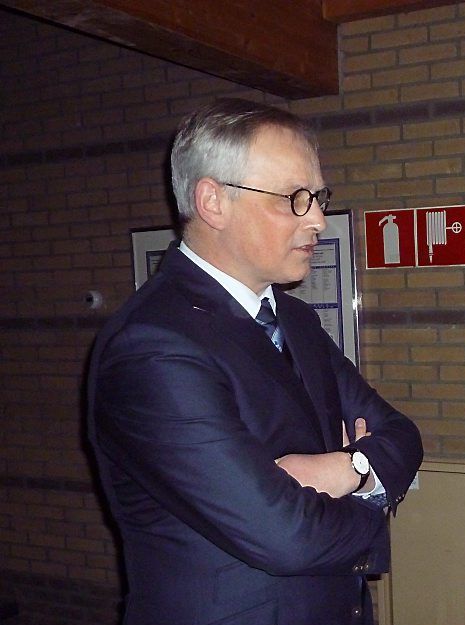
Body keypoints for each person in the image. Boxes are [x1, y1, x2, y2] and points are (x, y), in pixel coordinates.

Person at [86, 98, 423, 625]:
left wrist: (350, 468)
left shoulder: (295, 320)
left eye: (318, 197)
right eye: (294, 198)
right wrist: (372, 497)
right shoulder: (153, 346)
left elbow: (401, 435)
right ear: (213, 201)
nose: (317, 218)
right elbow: (286, 537)